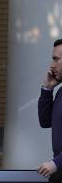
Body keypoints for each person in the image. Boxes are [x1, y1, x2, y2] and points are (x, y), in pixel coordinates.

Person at [38, 39, 62, 183]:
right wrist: (47, 89)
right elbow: (45, 121)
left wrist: (56, 163)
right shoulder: (60, 92)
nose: (52, 65)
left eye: (56, 60)